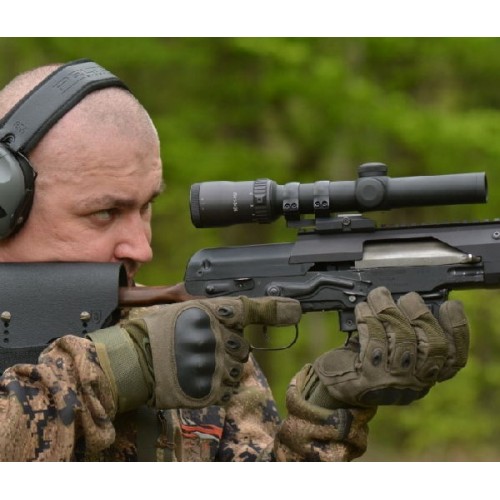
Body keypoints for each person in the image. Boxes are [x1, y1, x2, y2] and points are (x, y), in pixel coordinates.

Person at [0, 59, 470, 462]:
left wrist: (328, 409)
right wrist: (112, 370)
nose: (141, 247)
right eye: (104, 213)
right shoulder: (147, 348)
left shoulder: (176, 339)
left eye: (145, 208)